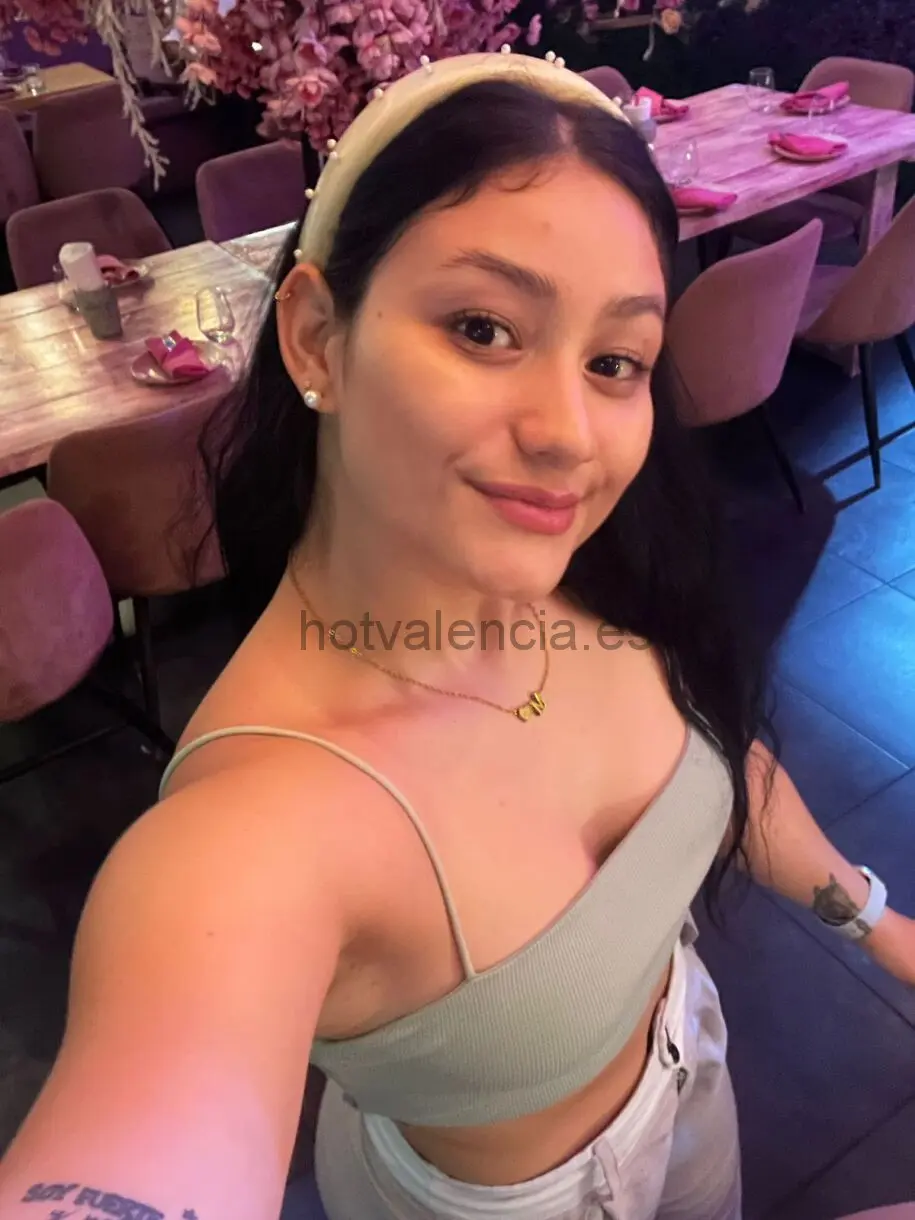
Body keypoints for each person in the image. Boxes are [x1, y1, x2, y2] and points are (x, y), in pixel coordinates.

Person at [1, 49, 913, 1220]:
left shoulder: (589, 581)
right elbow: (152, 1111)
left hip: (695, 1075)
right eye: (484, 328)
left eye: (615, 361)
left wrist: (878, 920)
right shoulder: (246, 841)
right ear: (316, 336)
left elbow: (715, 760)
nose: (568, 432)